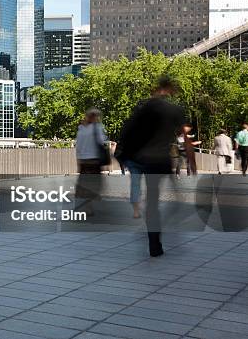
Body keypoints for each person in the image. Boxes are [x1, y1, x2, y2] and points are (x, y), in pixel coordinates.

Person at [117, 76, 185, 257]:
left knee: (152, 204)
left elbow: (127, 130)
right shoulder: (175, 109)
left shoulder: (144, 108)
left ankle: (154, 243)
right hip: (162, 160)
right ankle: (160, 232)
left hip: (145, 159)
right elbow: (183, 136)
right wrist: (191, 159)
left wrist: (123, 156)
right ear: (170, 90)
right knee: (172, 200)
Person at [74, 108, 108, 216]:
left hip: (83, 161)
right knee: (94, 184)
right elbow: (102, 141)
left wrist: (79, 160)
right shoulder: (97, 127)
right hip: (94, 160)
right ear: (95, 117)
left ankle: (85, 206)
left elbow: (78, 146)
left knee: (84, 184)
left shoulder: (81, 129)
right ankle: (89, 207)